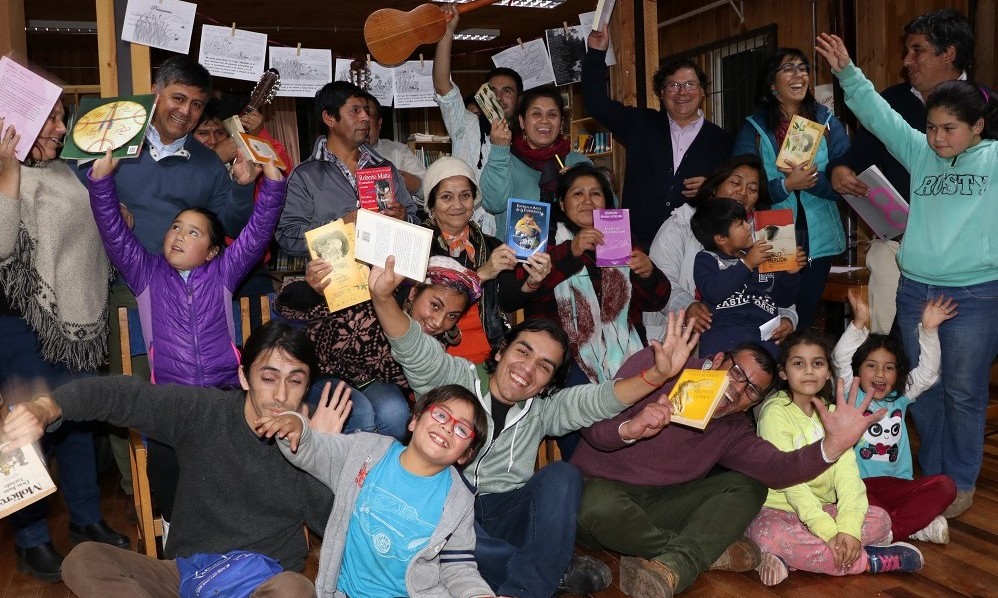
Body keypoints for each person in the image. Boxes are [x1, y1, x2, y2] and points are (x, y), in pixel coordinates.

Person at [369, 254, 701, 598]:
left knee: (562, 475)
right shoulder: (453, 379)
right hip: (446, 507)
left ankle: (527, 581)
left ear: (547, 384)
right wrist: (382, 297)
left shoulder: (544, 410)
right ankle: (548, 572)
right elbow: (411, 345)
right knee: (443, 535)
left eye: (544, 367)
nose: (527, 369)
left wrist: (657, 375)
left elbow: (601, 399)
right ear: (500, 352)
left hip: (505, 514)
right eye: (523, 352)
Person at [0, 321, 335, 597]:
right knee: (84, 559)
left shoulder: (307, 441)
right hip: (185, 576)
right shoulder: (204, 412)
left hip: (261, 583)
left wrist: (321, 456)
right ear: (245, 377)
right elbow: (123, 396)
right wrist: (46, 407)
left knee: (295, 589)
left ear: (306, 387)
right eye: (268, 378)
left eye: (295, 381)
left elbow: (332, 525)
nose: (280, 395)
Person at [817, 30, 998, 519]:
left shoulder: (995, 161)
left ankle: (958, 481)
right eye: (933, 127)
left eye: (950, 129)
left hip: (977, 294)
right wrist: (847, 73)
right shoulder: (920, 153)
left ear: (978, 127)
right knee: (920, 388)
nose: (937, 138)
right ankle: (934, 473)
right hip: (918, 287)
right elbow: (879, 115)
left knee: (963, 389)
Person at [568, 340, 889, 597]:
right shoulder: (665, 366)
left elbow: (778, 469)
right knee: (593, 502)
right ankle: (695, 555)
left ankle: (676, 563)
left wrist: (832, 447)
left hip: (660, 506)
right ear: (717, 359)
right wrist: (630, 427)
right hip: (599, 497)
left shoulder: (733, 428)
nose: (737, 388)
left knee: (750, 485)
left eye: (751, 390)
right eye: (736, 372)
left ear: (752, 404)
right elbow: (593, 428)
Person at [86, 149, 285, 526]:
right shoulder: (144, 273)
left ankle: (241, 527)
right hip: (172, 400)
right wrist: (101, 182)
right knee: (164, 463)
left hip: (226, 395)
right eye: (175, 227)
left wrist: (273, 185)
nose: (178, 235)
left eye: (193, 232)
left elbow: (257, 232)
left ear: (212, 252)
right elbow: (112, 230)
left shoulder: (224, 272)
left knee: (245, 454)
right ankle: (180, 529)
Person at [0, 109, 129, 581]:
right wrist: (7, 171)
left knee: (76, 418)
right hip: (19, 325)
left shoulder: (62, 170)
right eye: (50, 121)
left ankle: (86, 518)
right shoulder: (3, 167)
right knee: (29, 433)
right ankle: (31, 540)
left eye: (60, 119)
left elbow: (84, 227)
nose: (61, 128)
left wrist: (112, 215)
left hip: (74, 322)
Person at [258, 382, 496, 597]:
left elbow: (458, 566)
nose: (447, 427)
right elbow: (312, 448)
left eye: (462, 430)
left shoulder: (458, 499)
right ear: (414, 419)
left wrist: (479, 594)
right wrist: (296, 425)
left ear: (466, 454)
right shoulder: (364, 452)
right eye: (441, 415)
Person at [828, 10, 974, 333]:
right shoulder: (892, 101)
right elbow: (858, 153)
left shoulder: (984, 105)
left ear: (949, 53)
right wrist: (840, 170)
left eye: (917, 50)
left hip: (961, 260)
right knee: (888, 348)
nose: (907, 60)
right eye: (907, 51)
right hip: (896, 247)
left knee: (953, 351)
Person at [747, 331, 925, 585]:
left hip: (823, 508)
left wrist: (849, 530)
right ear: (783, 372)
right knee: (767, 535)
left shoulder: (835, 412)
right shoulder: (774, 414)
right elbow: (790, 483)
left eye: (817, 363)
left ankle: (796, 559)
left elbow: (848, 476)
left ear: (829, 371)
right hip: (779, 509)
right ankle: (869, 561)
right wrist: (831, 534)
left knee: (881, 520)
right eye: (799, 363)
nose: (809, 371)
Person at [276, 255, 483, 440]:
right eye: (435, 305)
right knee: (359, 412)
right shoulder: (369, 295)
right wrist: (314, 291)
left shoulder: (434, 342)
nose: (438, 322)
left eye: (452, 316)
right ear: (413, 293)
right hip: (316, 375)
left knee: (396, 416)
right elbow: (284, 305)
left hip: (368, 383)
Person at [516, 163, 669, 385]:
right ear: (561, 202)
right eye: (577, 193)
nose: (588, 201)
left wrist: (648, 274)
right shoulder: (542, 237)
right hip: (562, 352)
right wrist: (571, 251)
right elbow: (518, 292)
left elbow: (657, 300)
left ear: (606, 202)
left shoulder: (621, 237)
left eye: (595, 193)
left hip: (627, 348)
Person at [733, 48, 850, 330]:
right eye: (788, 69)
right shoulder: (754, 127)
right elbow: (740, 188)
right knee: (776, 310)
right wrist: (785, 185)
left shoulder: (826, 121)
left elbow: (847, 181)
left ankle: (800, 369)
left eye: (803, 68)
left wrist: (814, 182)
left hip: (819, 229)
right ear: (772, 84)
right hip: (773, 228)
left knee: (807, 313)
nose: (799, 75)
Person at [583, 25, 732, 248]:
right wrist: (596, 54)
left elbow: (740, 193)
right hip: (636, 246)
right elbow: (596, 104)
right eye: (673, 85)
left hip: (692, 250)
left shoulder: (723, 141)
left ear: (702, 91)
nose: (682, 92)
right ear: (661, 94)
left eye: (690, 84)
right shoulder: (641, 124)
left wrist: (713, 189)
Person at [832, 288, 957, 543]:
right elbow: (839, 358)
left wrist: (929, 331)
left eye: (889, 368)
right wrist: (858, 324)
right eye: (871, 366)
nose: (880, 374)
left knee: (946, 486)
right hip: (858, 485)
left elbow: (928, 374)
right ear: (858, 371)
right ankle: (912, 526)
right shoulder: (850, 393)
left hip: (897, 485)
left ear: (896, 374)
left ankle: (891, 531)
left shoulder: (899, 398)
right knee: (866, 507)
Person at [645, 155, 800, 342]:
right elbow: (658, 280)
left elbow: (780, 291)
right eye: (735, 183)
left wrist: (786, 318)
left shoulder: (768, 233)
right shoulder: (679, 224)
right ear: (714, 188)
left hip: (752, 337)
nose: (743, 193)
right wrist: (687, 306)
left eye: (752, 189)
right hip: (683, 336)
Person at [421, 157, 549, 363]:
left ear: (474, 201)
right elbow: (423, 307)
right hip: (436, 355)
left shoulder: (492, 246)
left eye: (465, 195)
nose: (457, 205)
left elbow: (508, 301)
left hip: (490, 350)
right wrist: (482, 274)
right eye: (446, 197)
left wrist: (532, 282)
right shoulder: (417, 245)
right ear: (431, 204)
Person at [276, 81, 418, 257]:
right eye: (355, 110)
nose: (365, 117)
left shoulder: (384, 167)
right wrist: (341, 226)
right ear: (329, 118)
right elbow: (288, 237)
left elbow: (416, 220)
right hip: (334, 281)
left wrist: (404, 218)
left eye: (366, 110)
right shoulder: (304, 176)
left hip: (387, 278)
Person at [433, 3, 523, 236]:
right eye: (492, 91)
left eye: (508, 91)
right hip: (459, 230)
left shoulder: (526, 141)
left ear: (519, 100)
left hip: (504, 236)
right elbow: (443, 85)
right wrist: (447, 32)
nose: (499, 97)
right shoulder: (466, 125)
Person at [691, 197, 803, 356]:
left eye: (746, 220)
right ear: (721, 238)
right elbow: (713, 292)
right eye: (740, 224)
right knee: (718, 375)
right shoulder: (706, 258)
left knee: (767, 372)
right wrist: (747, 264)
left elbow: (784, 300)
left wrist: (790, 274)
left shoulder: (762, 256)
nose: (748, 225)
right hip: (722, 332)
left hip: (765, 334)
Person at [480, 86, 593, 233]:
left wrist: (579, 183)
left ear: (561, 123)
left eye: (552, 114)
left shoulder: (578, 162)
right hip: (516, 254)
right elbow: (493, 204)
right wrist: (499, 151)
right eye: (536, 114)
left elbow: (609, 206)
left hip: (573, 253)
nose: (544, 120)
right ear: (522, 122)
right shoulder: (505, 161)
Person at [366, 94, 426, 198]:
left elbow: (428, 187)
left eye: (368, 114)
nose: (362, 120)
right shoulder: (335, 153)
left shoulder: (398, 150)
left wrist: (401, 180)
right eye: (355, 113)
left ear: (379, 123)